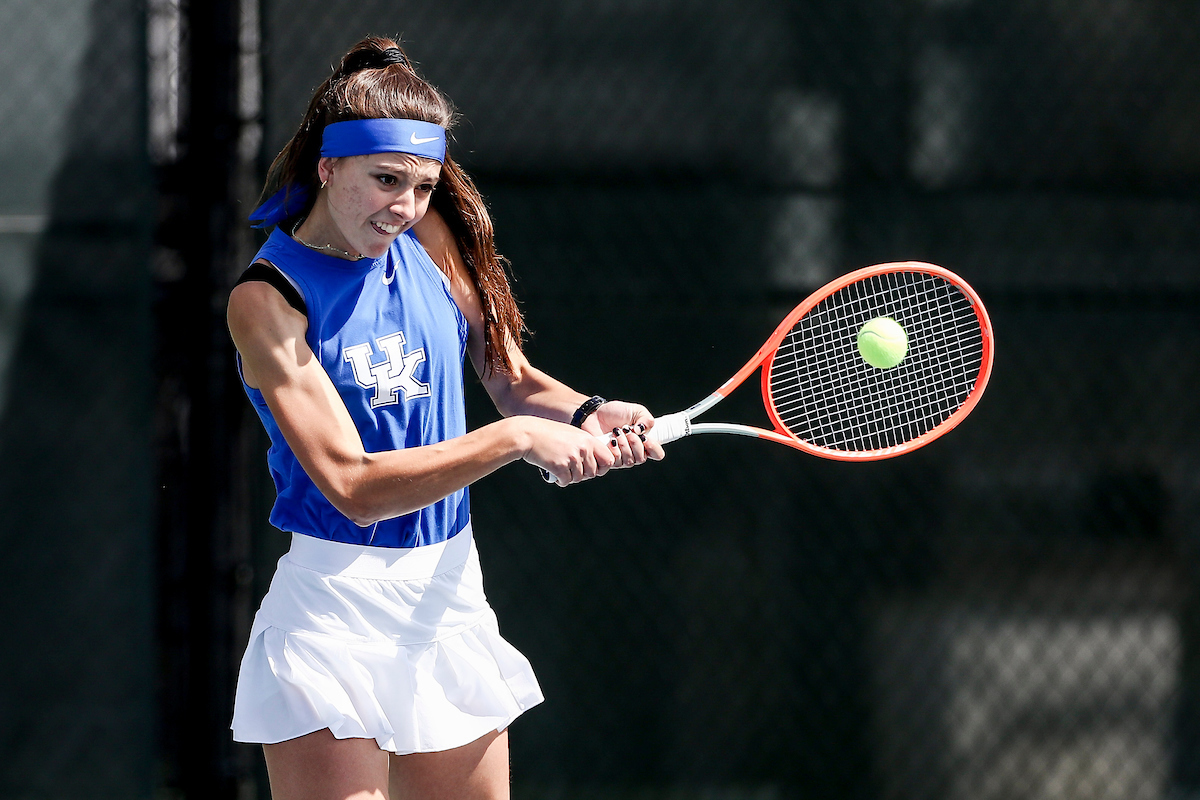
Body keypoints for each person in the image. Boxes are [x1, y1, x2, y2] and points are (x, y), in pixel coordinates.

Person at [226, 35, 663, 800]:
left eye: (423, 186)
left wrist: (587, 412)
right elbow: (352, 487)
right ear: (327, 169)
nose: (405, 206)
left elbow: (510, 378)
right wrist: (521, 438)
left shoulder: (426, 239)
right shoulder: (266, 301)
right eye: (385, 179)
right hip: (332, 608)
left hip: (447, 590)